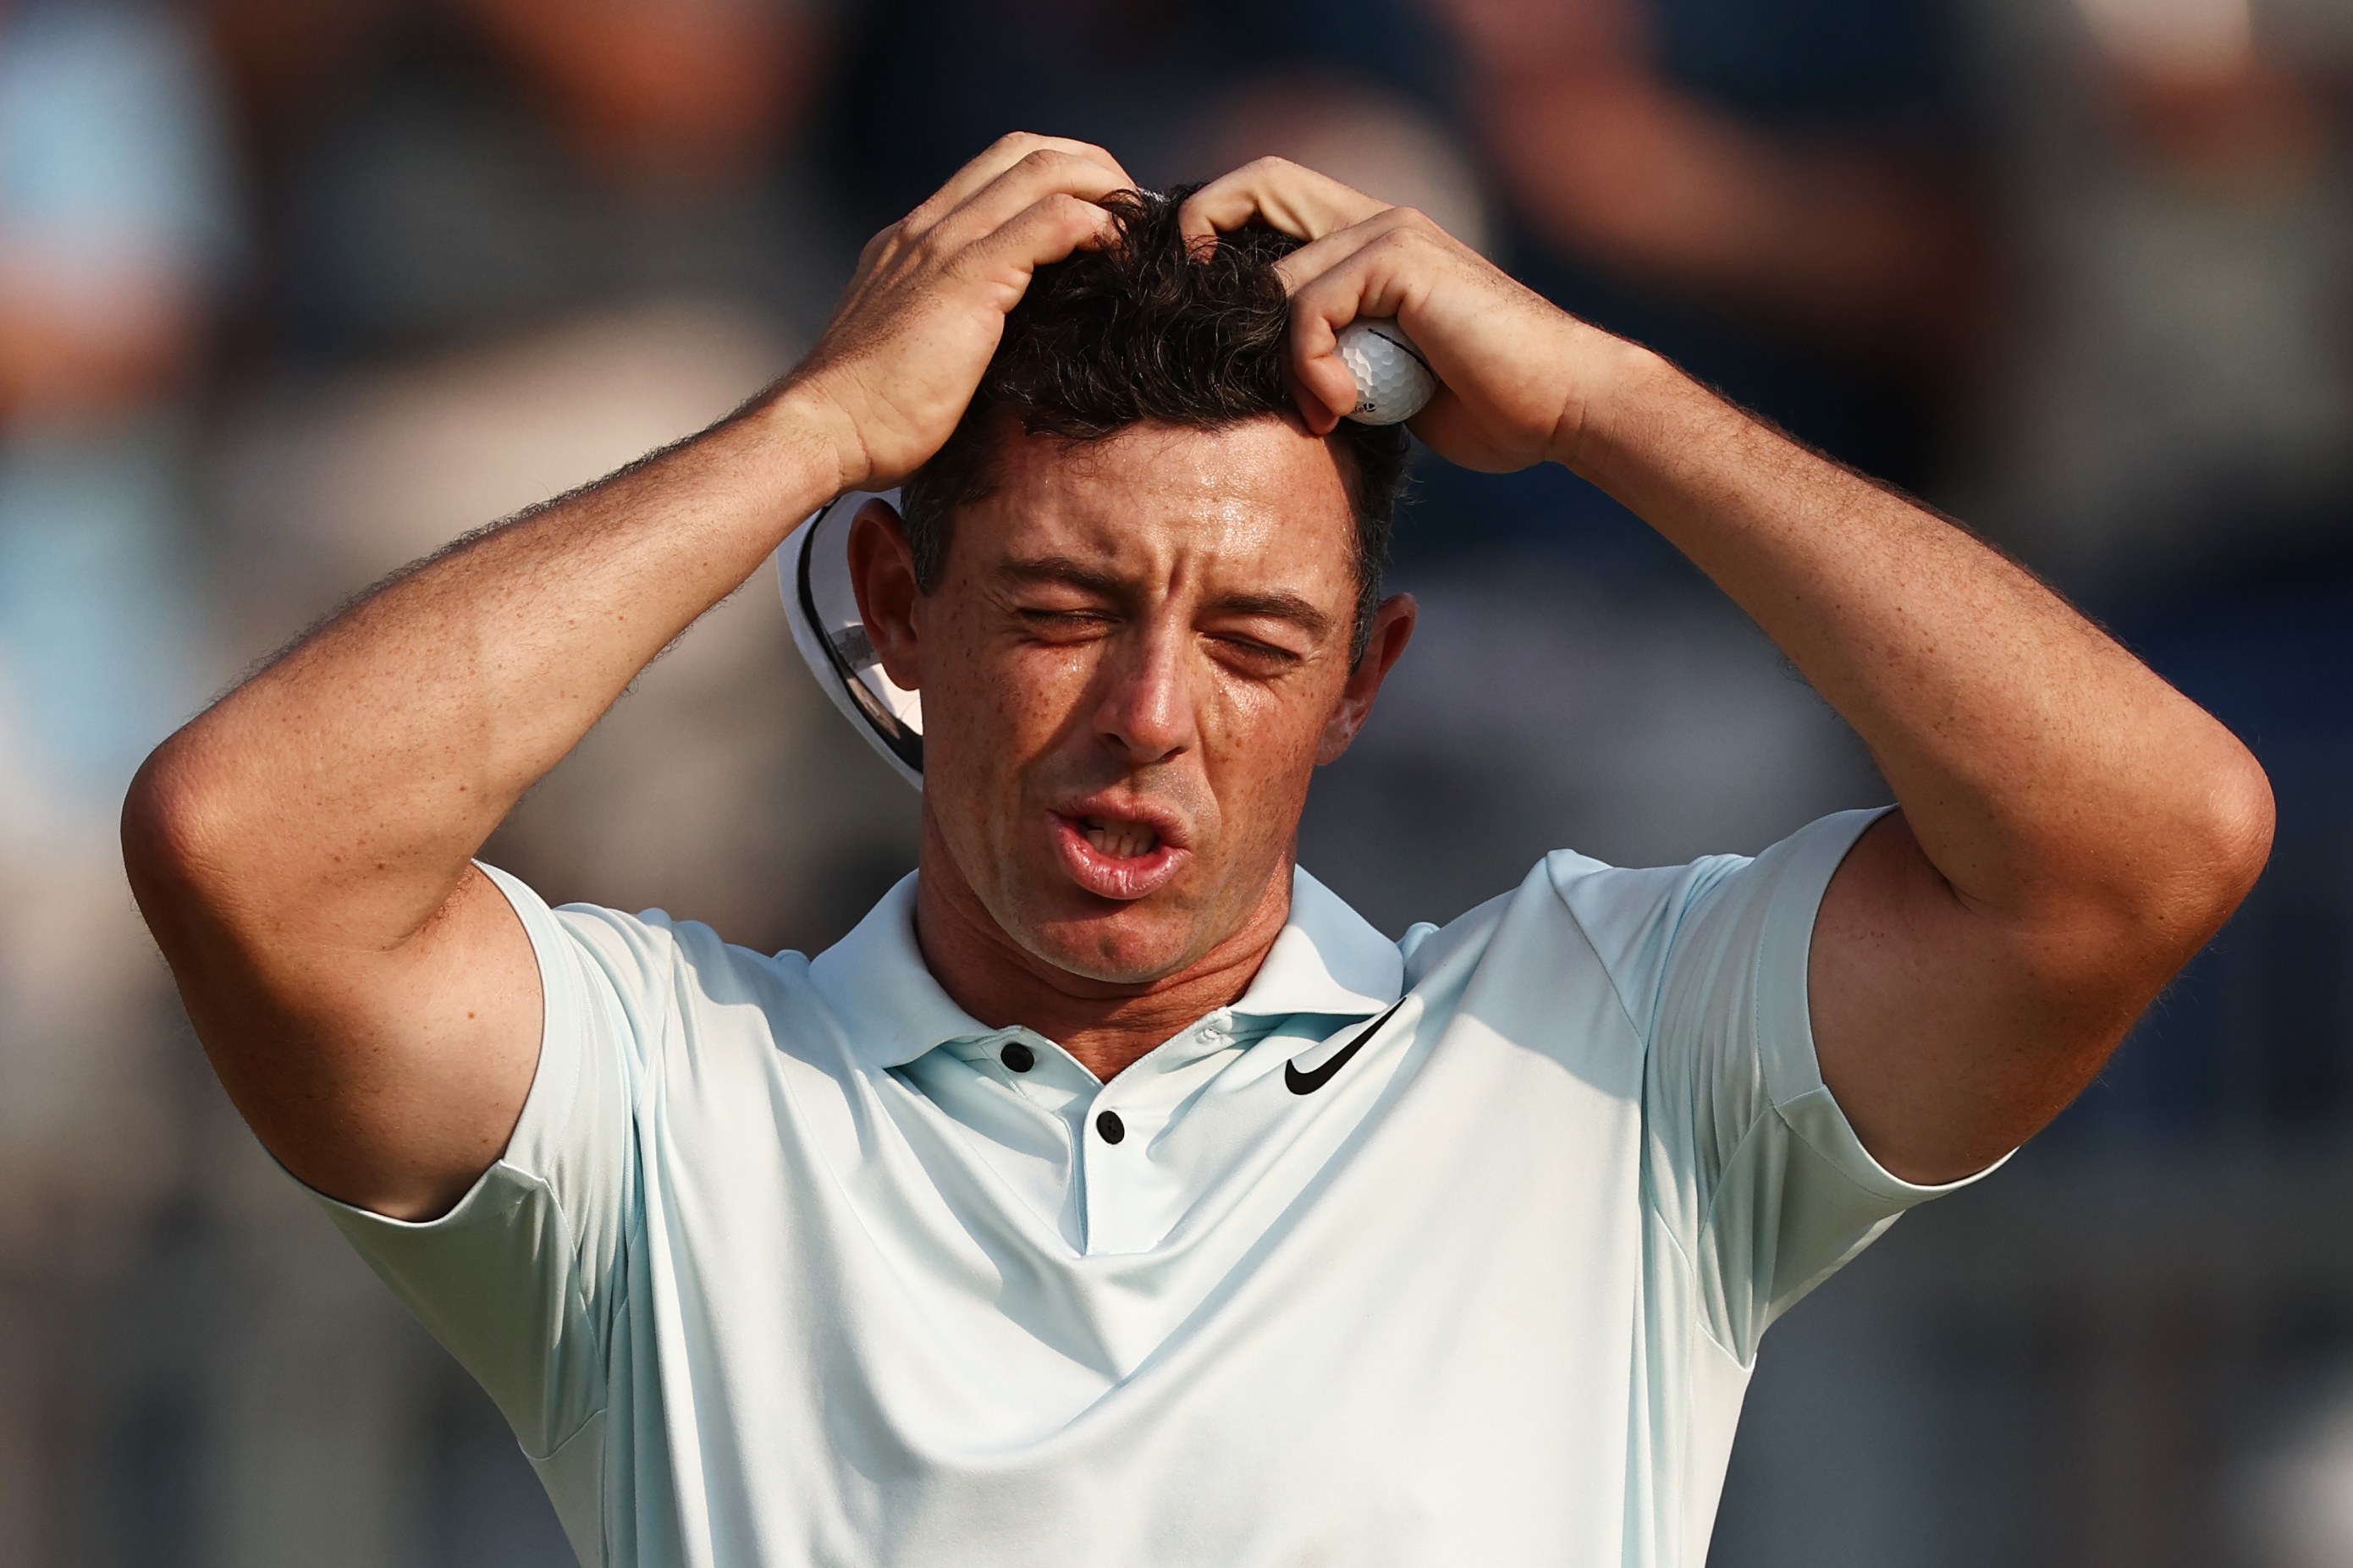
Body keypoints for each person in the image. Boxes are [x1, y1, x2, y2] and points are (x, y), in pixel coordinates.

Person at [121, 135, 2272, 1565]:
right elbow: (249, 845)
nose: (1149, 714)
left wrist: (1612, 395)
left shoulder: (1615, 1054)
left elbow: (2143, 837)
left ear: (1363, 679)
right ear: (894, 604)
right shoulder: (665, 1098)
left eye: (1252, 639)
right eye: (1060, 610)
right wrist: (816, 420)